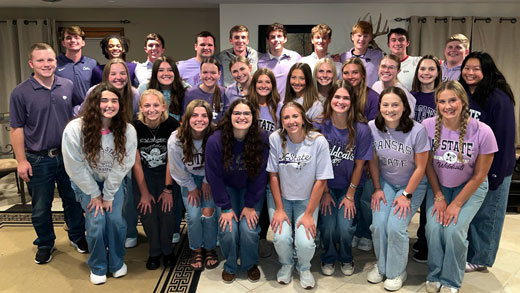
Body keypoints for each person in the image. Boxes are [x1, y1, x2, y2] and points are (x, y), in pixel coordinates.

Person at [9, 43, 87, 264]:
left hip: (68, 157)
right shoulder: (20, 92)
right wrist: (21, 160)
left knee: (73, 201)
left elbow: (81, 111)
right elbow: (16, 129)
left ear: (56, 61)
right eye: (41, 60)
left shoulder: (67, 85)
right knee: (41, 207)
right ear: (31, 64)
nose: (46, 64)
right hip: (37, 159)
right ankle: (45, 243)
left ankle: (77, 237)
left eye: (50, 60)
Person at [422, 80, 497, 293]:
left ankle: (451, 280)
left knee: (454, 230)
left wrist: (456, 204)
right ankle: (435, 274)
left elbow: (480, 174)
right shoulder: (428, 126)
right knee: (434, 228)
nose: (448, 106)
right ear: (436, 104)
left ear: (463, 101)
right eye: (442, 101)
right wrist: (438, 195)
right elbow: (427, 164)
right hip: (439, 185)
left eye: (453, 100)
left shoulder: (483, 131)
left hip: (470, 187)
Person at [62, 82, 137, 284]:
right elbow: (74, 166)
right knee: (96, 223)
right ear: (94, 103)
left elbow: (123, 165)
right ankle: (98, 266)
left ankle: (116, 262)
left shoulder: (127, 130)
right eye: (104, 100)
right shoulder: (75, 129)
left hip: (113, 182)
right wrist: (95, 194)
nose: (109, 105)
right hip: (86, 182)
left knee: (115, 221)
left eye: (114, 100)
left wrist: (109, 194)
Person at [367, 86, 429, 291]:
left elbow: (421, 167)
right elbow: (373, 162)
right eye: (385, 104)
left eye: (395, 104)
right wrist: (377, 188)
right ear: (379, 107)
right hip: (385, 182)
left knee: (395, 226)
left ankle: (396, 271)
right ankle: (382, 266)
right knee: (378, 225)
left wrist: (406, 195)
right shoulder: (372, 127)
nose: (390, 109)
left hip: (412, 184)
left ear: (404, 107)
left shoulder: (418, 130)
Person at [267, 101, 333, 289]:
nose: (291, 121)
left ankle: (304, 268)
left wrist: (309, 214)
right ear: (281, 121)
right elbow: (273, 175)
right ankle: (286, 264)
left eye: (295, 116)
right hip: (281, 197)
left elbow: (321, 180)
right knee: (281, 237)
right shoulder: (275, 138)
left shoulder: (318, 141)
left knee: (305, 242)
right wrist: (279, 209)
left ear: (303, 118)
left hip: (307, 199)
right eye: (286, 117)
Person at [460, 52, 516, 273]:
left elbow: (504, 138)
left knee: (488, 215)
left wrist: (495, 176)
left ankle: (481, 258)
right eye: (467, 68)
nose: (470, 72)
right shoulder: (463, 93)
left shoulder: (498, 98)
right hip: (471, 167)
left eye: (476, 69)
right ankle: (472, 252)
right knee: (473, 214)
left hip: (495, 168)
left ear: (487, 72)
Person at [205, 98, 269, 283]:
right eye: (237, 113)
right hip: (226, 188)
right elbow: (214, 177)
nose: (242, 117)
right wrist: (225, 207)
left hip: (251, 189)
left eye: (246, 113)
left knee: (249, 229)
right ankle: (231, 265)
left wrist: (250, 205)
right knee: (229, 227)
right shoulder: (215, 140)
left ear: (253, 117)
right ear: (229, 116)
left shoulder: (261, 138)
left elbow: (260, 175)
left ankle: (250, 264)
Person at [314, 81, 373, 277]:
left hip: (350, 187)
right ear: (330, 99)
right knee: (329, 226)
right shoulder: (319, 125)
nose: (340, 101)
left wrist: (350, 195)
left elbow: (359, 165)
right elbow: (315, 164)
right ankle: (329, 256)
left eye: (345, 98)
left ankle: (346, 256)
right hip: (325, 187)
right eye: (336, 97)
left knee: (346, 227)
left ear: (352, 101)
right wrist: (324, 192)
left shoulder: (362, 129)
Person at [169, 99, 219, 271]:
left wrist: (206, 181)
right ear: (187, 118)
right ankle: (196, 249)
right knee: (193, 215)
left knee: (208, 213)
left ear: (210, 118)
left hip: (210, 178)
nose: (199, 119)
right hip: (187, 178)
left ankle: (210, 247)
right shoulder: (176, 139)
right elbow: (176, 168)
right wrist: (191, 187)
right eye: (195, 115)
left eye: (204, 116)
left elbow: (217, 163)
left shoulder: (214, 134)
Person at [132, 89, 180, 270]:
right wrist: (144, 192)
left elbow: (171, 159)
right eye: (147, 105)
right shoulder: (134, 127)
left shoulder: (172, 125)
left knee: (167, 212)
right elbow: (136, 161)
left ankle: (167, 250)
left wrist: (168, 189)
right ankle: (154, 251)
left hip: (167, 174)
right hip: (144, 175)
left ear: (163, 106)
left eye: (155, 105)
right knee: (148, 211)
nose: (151, 109)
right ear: (140, 107)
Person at [341, 57, 380, 252]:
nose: (350, 76)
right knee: (353, 197)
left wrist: (365, 161)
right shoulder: (341, 96)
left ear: (363, 75)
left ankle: (365, 232)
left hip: (366, 154)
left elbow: (373, 131)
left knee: (365, 198)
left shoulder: (372, 97)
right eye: (346, 73)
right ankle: (355, 230)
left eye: (355, 72)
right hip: (345, 154)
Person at [409, 55, 443, 263]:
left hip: (435, 155)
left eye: (431, 69)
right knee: (413, 198)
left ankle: (425, 242)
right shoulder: (411, 97)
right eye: (422, 69)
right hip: (412, 155)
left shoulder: (442, 97)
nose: (426, 73)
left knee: (430, 202)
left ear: (438, 73)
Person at [138, 56, 189, 121]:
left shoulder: (185, 89)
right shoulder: (144, 87)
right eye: (161, 70)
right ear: (155, 73)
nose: (166, 73)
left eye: (170, 70)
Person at [258, 22, 301, 98]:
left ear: (285, 39)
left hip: (292, 105)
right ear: (267, 40)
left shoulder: (296, 57)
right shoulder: (261, 63)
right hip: (270, 106)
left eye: (279, 36)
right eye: (273, 37)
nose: (276, 39)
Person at [56, 25, 98, 103]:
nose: (73, 40)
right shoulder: (54, 63)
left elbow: (99, 89)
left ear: (83, 42)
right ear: (63, 43)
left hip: (87, 111)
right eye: (68, 38)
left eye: (76, 37)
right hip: (62, 111)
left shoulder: (93, 64)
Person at [182, 58, 227, 124]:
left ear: (219, 74)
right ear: (200, 73)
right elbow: (185, 121)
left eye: (213, 72)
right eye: (205, 72)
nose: (208, 76)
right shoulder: (189, 94)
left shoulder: (225, 93)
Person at [340, 20, 384, 87]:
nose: (362, 39)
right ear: (352, 37)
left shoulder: (378, 56)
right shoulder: (343, 57)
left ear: (370, 38)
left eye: (365, 36)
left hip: (370, 96)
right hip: (349, 96)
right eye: (359, 35)